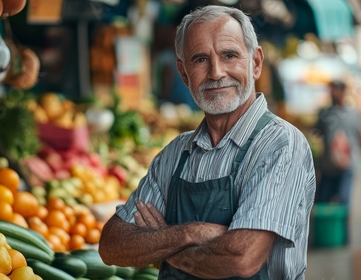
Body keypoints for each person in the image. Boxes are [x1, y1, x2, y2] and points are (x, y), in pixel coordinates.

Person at [98, 5, 316, 279]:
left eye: (229, 55)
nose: (216, 72)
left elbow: (241, 258)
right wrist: (191, 233)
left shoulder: (281, 144)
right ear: (184, 73)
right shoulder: (175, 154)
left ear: (256, 62)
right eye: (200, 59)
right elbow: (111, 245)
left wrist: (162, 247)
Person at [314, 80, 361, 243]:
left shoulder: (354, 114)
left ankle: (343, 237)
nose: (333, 93)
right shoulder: (325, 114)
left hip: (348, 167)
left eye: (335, 90)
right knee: (323, 202)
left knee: (344, 201)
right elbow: (316, 136)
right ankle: (323, 237)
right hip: (327, 167)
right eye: (331, 90)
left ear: (343, 91)